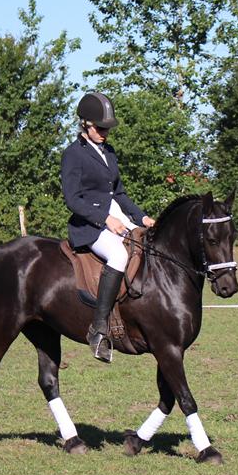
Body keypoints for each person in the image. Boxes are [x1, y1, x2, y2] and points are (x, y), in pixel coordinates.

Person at [60, 91, 155, 362]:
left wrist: (142, 217)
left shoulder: (109, 152)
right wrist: (104, 219)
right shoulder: (73, 154)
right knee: (119, 255)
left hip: (116, 218)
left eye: (107, 129)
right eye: (100, 128)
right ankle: (98, 328)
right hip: (89, 226)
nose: (105, 133)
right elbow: (72, 199)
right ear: (85, 124)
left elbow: (119, 193)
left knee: (145, 246)